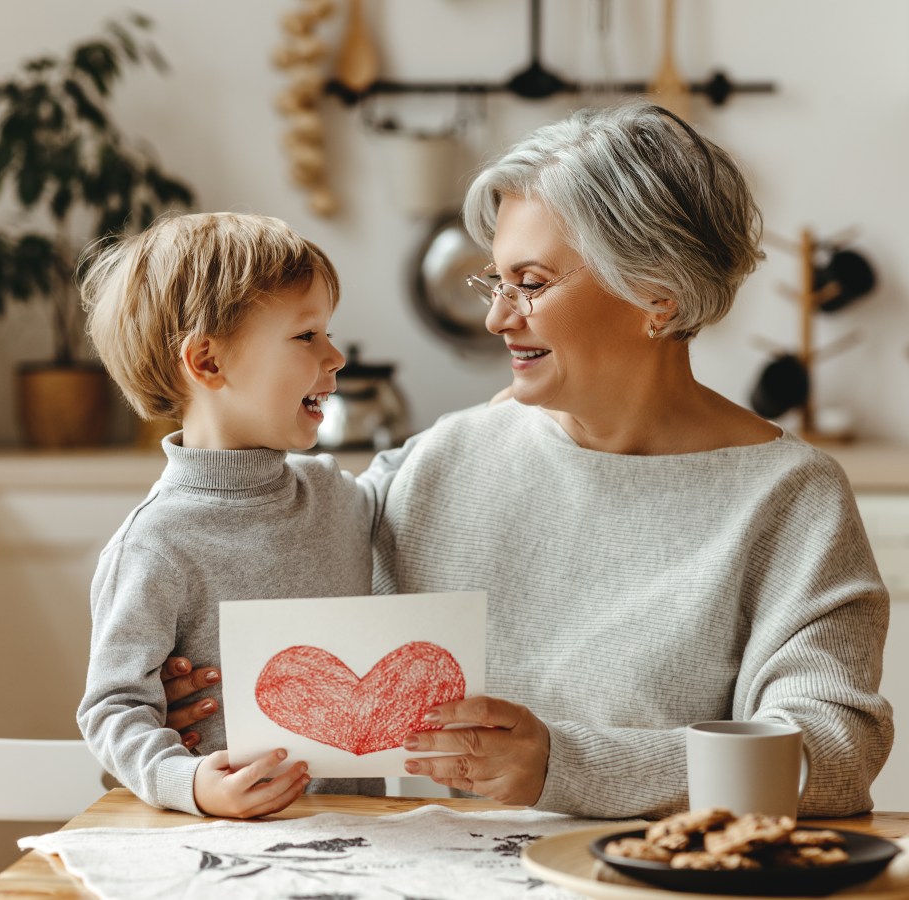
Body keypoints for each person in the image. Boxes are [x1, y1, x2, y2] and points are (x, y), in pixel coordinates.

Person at [162, 101, 893, 820]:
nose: (496, 317)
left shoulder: (789, 499)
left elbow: (833, 756)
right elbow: (294, 596)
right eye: (496, 282)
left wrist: (564, 764)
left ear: (658, 297)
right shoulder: (449, 457)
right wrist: (204, 686)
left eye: (532, 284)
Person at [76, 211, 386, 819]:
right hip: (220, 851)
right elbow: (112, 709)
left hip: (363, 840)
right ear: (208, 363)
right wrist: (190, 783)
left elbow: (420, 470)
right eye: (306, 336)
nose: (336, 356)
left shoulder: (334, 495)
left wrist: (509, 408)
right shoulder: (154, 542)